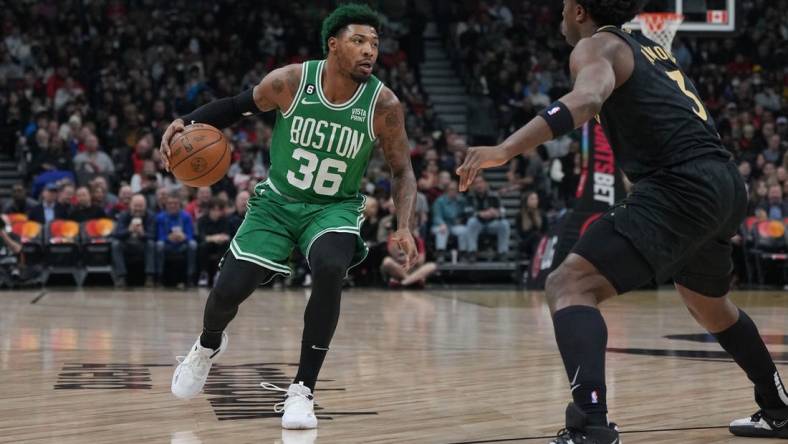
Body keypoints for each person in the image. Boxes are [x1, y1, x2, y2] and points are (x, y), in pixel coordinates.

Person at [456, 1, 788, 442]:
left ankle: (592, 424)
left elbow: (587, 98)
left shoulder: (598, 45)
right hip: (725, 182)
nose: (559, 19)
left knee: (569, 285)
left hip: (681, 184)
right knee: (710, 306)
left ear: (577, 11)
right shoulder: (650, 46)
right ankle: (778, 408)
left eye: (561, 10)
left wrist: (504, 150)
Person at [159, 4, 417, 430]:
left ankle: (303, 390)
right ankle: (207, 346)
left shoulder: (383, 104)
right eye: (358, 41)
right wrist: (185, 121)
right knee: (226, 294)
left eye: (374, 43)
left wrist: (404, 224)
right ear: (333, 45)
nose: (369, 50)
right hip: (277, 202)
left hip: (333, 207)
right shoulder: (291, 81)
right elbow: (236, 105)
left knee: (332, 267)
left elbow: (402, 169)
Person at [112, 194, 156, 288]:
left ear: (145, 206)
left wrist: (142, 234)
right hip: (127, 245)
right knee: (115, 244)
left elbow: (153, 235)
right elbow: (116, 234)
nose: (138, 209)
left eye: (140, 206)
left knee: (151, 244)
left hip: (142, 245)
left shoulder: (150, 216)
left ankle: (149, 277)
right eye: (136, 206)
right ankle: (121, 277)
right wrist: (129, 230)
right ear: (130, 205)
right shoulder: (124, 215)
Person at [155, 190, 197, 288]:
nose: (173, 206)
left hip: (182, 245)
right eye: (170, 203)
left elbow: (190, 236)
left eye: (175, 203)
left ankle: (190, 276)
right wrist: (169, 238)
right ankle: (159, 276)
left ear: (180, 204)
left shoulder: (186, 216)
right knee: (159, 245)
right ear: (166, 205)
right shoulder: (160, 217)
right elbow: (159, 237)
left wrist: (184, 237)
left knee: (193, 244)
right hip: (167, 245)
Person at [465, 176, 510, 261]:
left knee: (504, 224)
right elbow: (467, 211)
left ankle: (502, 252)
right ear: (473, 186)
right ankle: (472, 252)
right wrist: (480, 214)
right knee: (471, 222)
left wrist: (496, 213)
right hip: (478, 224)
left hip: (492, 223)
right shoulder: (470, 196)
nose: (479, 185)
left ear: (485, 184)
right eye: (476, 183)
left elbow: (503, 211)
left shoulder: (494, 195)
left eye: (480, 182)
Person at [196, 198, 232, 287]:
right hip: (207, 245)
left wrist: (220, 238)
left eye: (218, 210)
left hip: (220, 244)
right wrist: (215, 238)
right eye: (214, 210)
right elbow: (201, 236)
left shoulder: (225, 220)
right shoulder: (202, 220)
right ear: (209, 210)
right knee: (203, 246)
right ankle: (203, 274)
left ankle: (218, 273)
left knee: (225, 245)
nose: (216, 212)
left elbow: (227, 236)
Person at [431, 180, 468, 261]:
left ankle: (463, 253)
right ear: (447, 190)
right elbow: (436, 216)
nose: (453, 191)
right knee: (443, 230)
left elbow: (464, 214)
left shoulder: (461, 201)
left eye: (455, 189)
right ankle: (440, 253)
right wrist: (442, 224)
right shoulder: (439, 201)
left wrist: (461, 220)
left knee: (464, 230)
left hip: (454, 225)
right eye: (451, 189)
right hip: (440, 225)